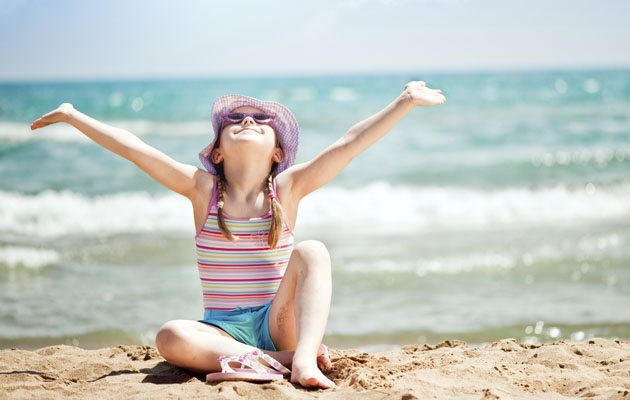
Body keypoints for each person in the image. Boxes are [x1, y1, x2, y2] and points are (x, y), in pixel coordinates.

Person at [30, 81, 446, 389]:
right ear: (217, 152)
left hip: (278, 319)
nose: (249, 120)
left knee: (313, 251)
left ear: (277, 153)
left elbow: (348, 144)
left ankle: (301, 360)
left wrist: (404, 101)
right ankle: (278, 360)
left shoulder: (287, 189)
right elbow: (135, 149)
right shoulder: (203, 191)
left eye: (261, 121)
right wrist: (73, 115)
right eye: (235, 120)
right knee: (169, 336)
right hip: (220, 333)